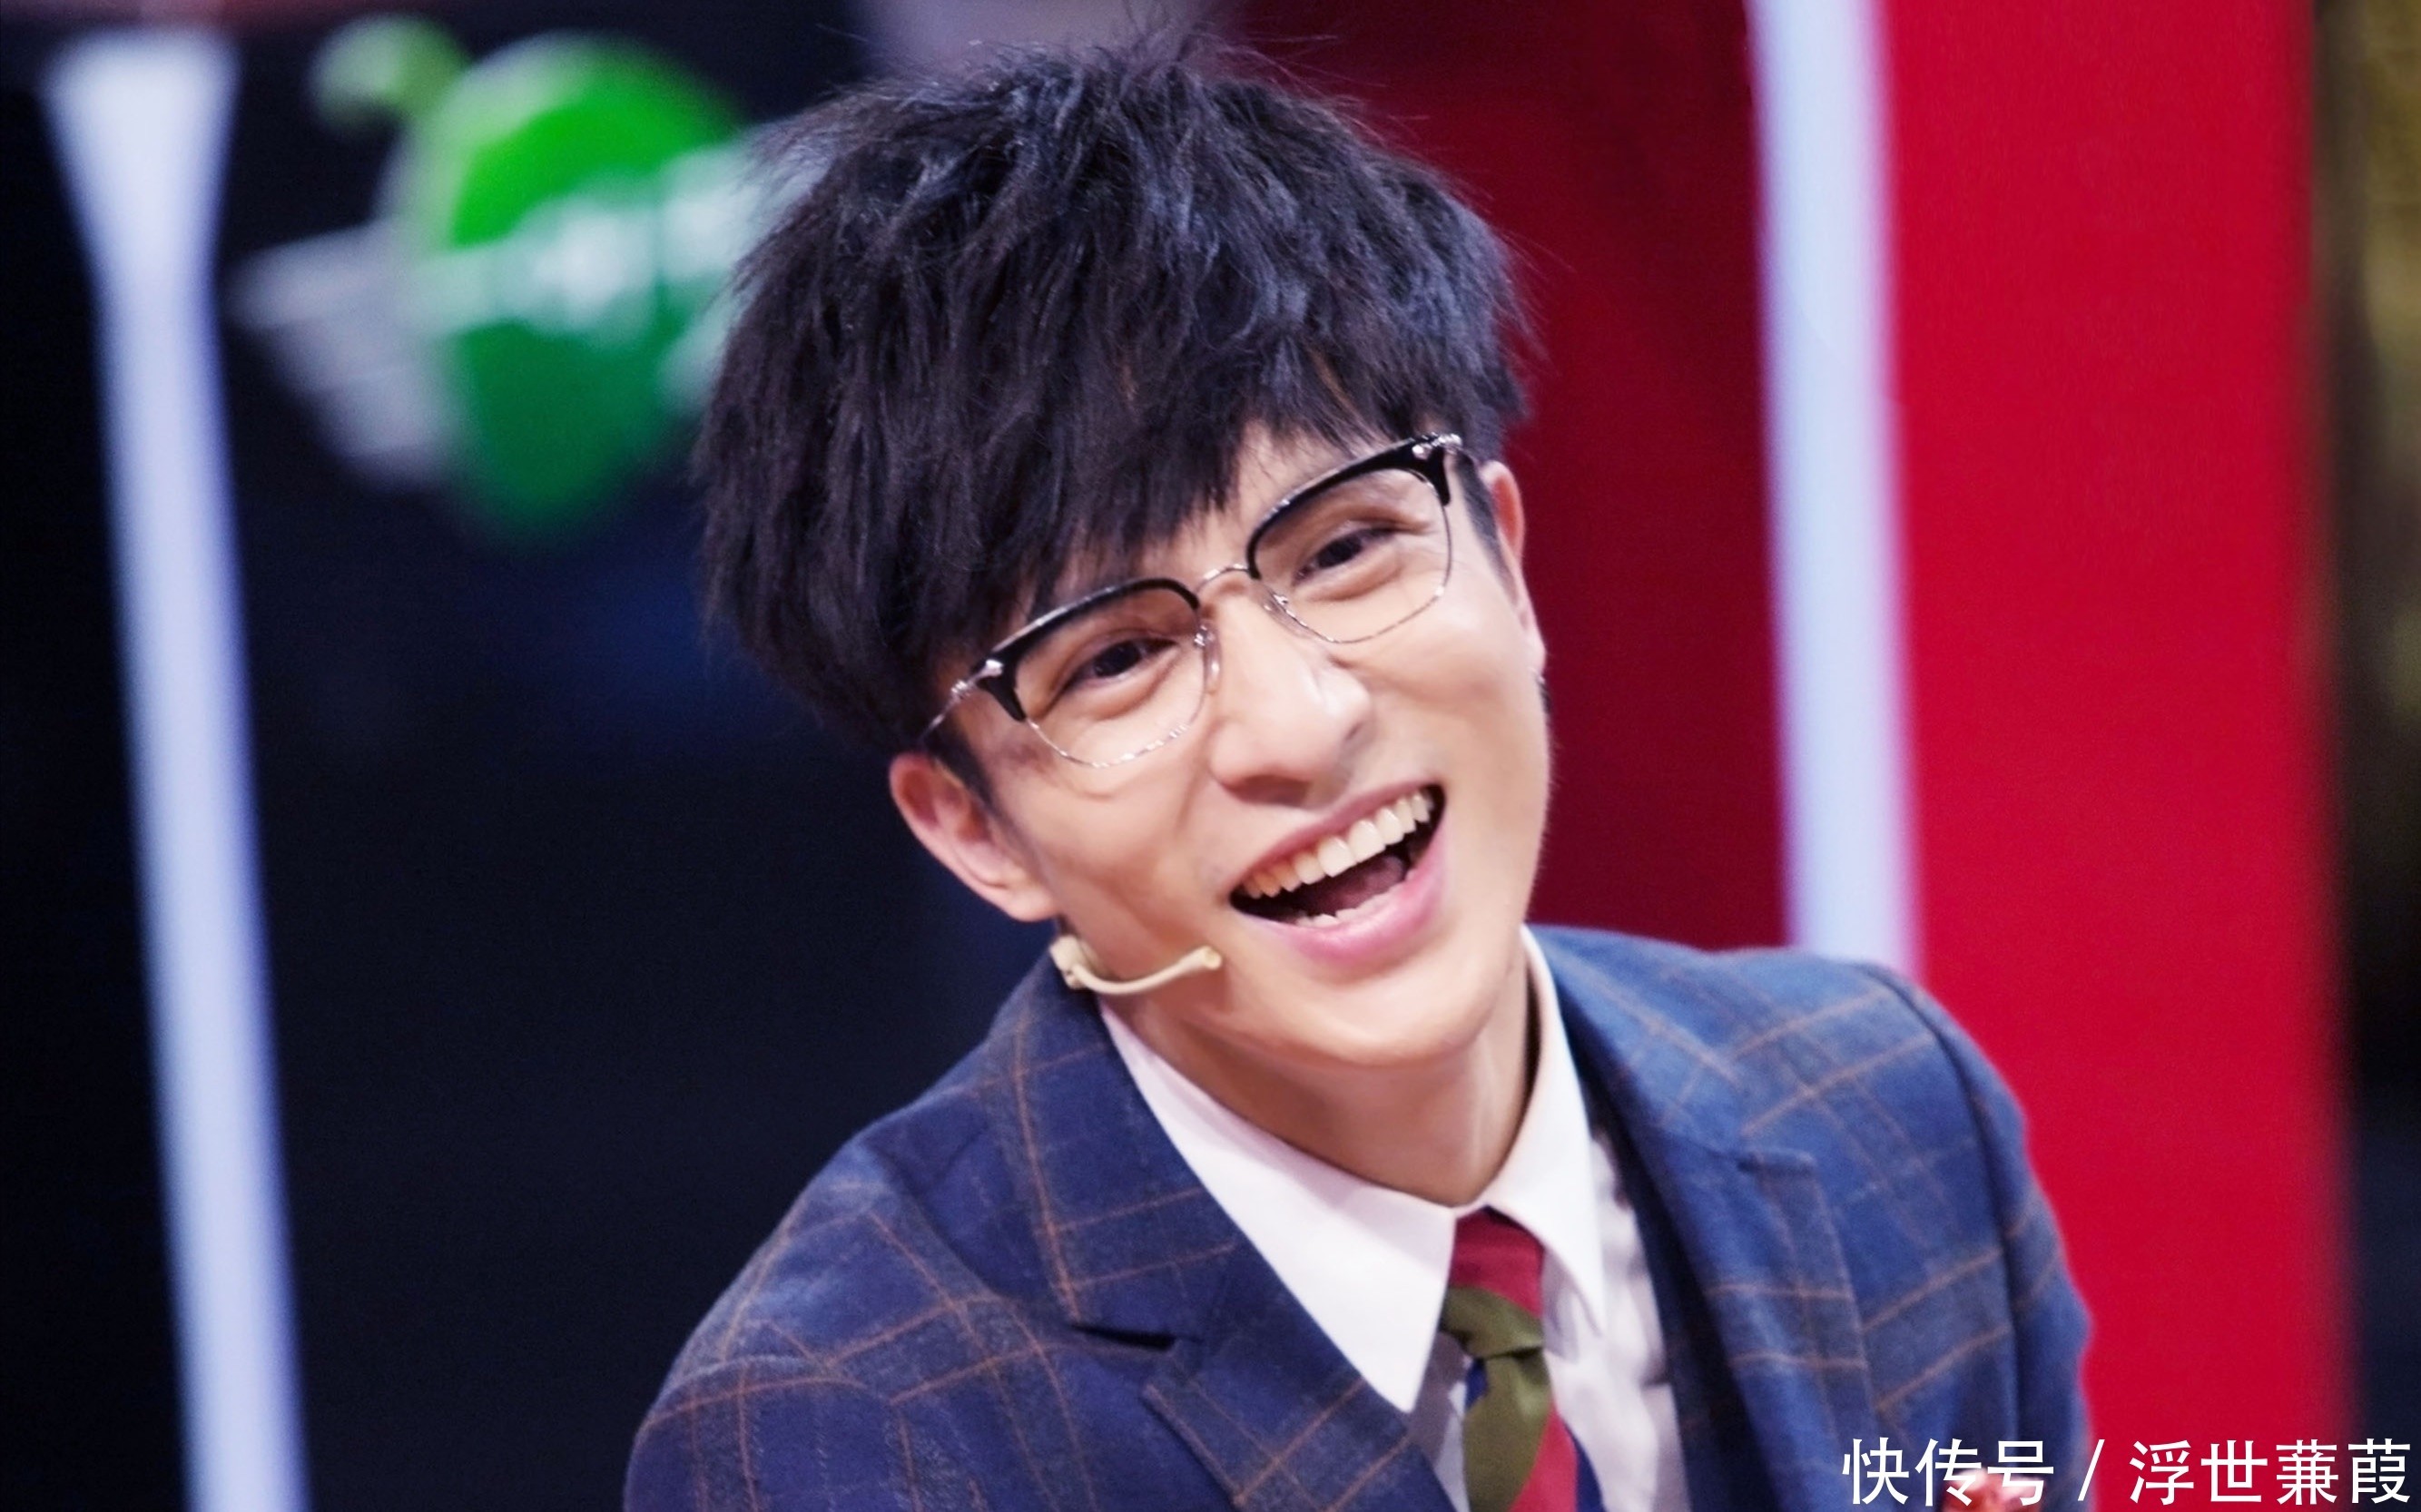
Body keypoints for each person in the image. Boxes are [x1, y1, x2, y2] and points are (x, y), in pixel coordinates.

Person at [627, 42, 2087, 1512]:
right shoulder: (852, 1429)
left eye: (1344, 548)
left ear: (1508, 558)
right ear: (973, 829)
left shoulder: (1889, 1111)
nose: (1300, 722)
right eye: (1119, 657)